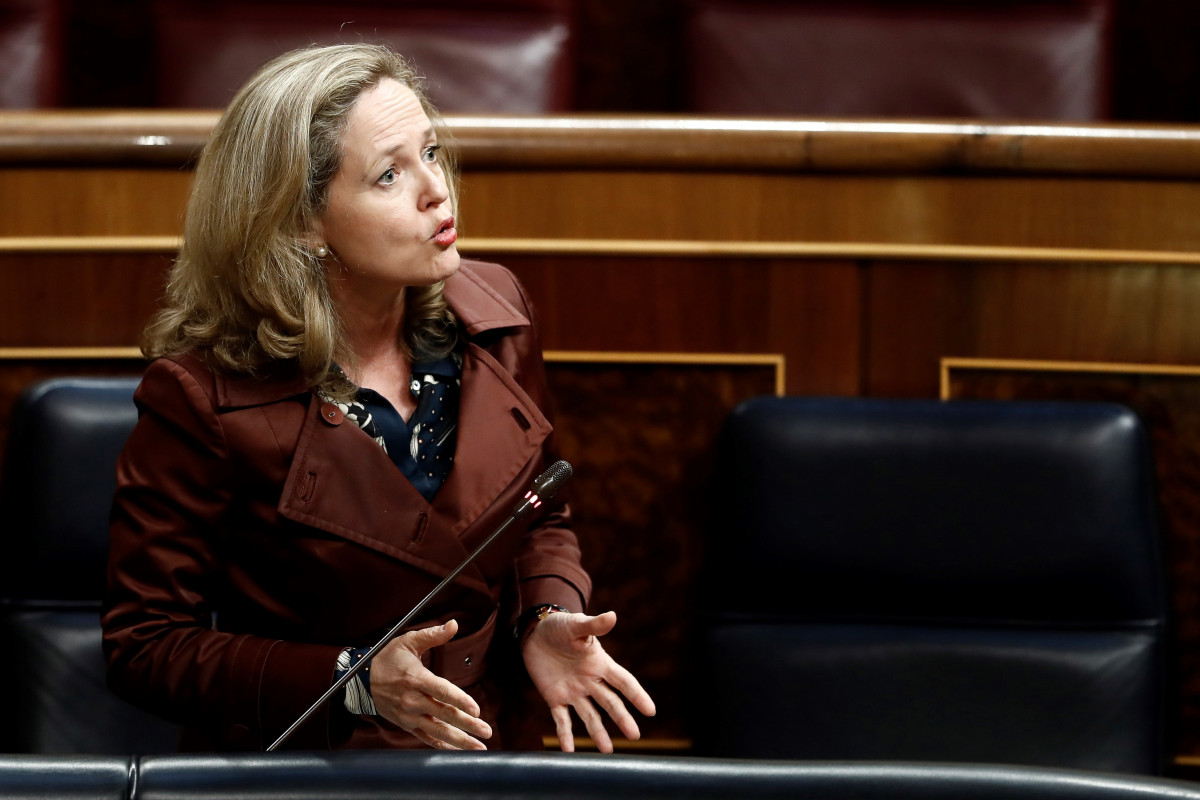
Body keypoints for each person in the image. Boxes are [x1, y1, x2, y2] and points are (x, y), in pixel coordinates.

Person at [101, 43, 654, 753]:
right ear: (299, 222)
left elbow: (538, 513)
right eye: (390, 174)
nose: (436, 191)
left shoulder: (494, 313)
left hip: (489, 749)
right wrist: (351, 679)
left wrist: (544, 616)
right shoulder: (200, 397)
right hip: (311, 772)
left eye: (432, 152)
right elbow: (145, 647)